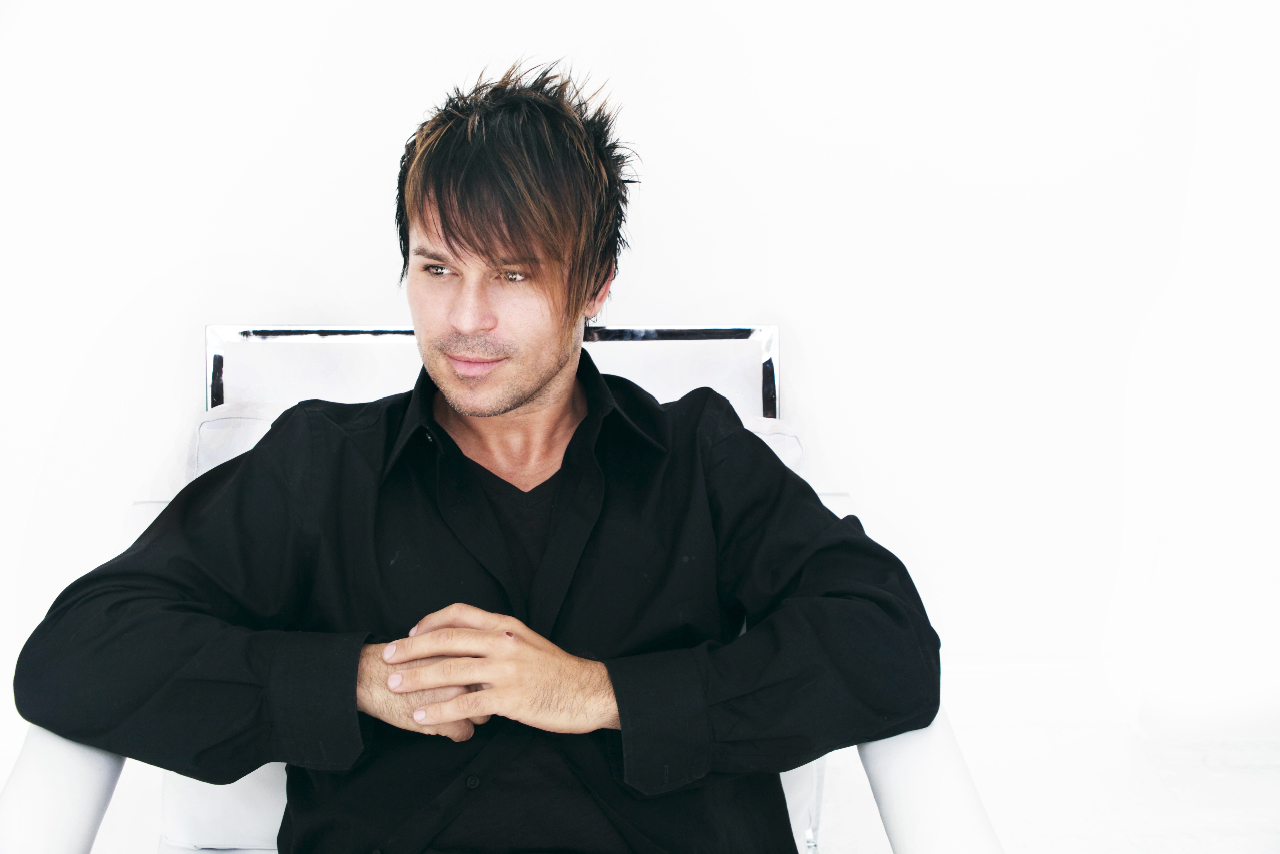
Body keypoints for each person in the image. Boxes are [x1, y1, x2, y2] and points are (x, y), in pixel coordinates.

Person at [13, 64, 941, 854]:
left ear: (595, 285)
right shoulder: (320, 466)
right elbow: (75, 657)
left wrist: (598, 694)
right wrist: (360, 681)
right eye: (438, 268)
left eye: (513, 273)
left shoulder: (699, 457)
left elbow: (890, 649)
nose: (464, 319)